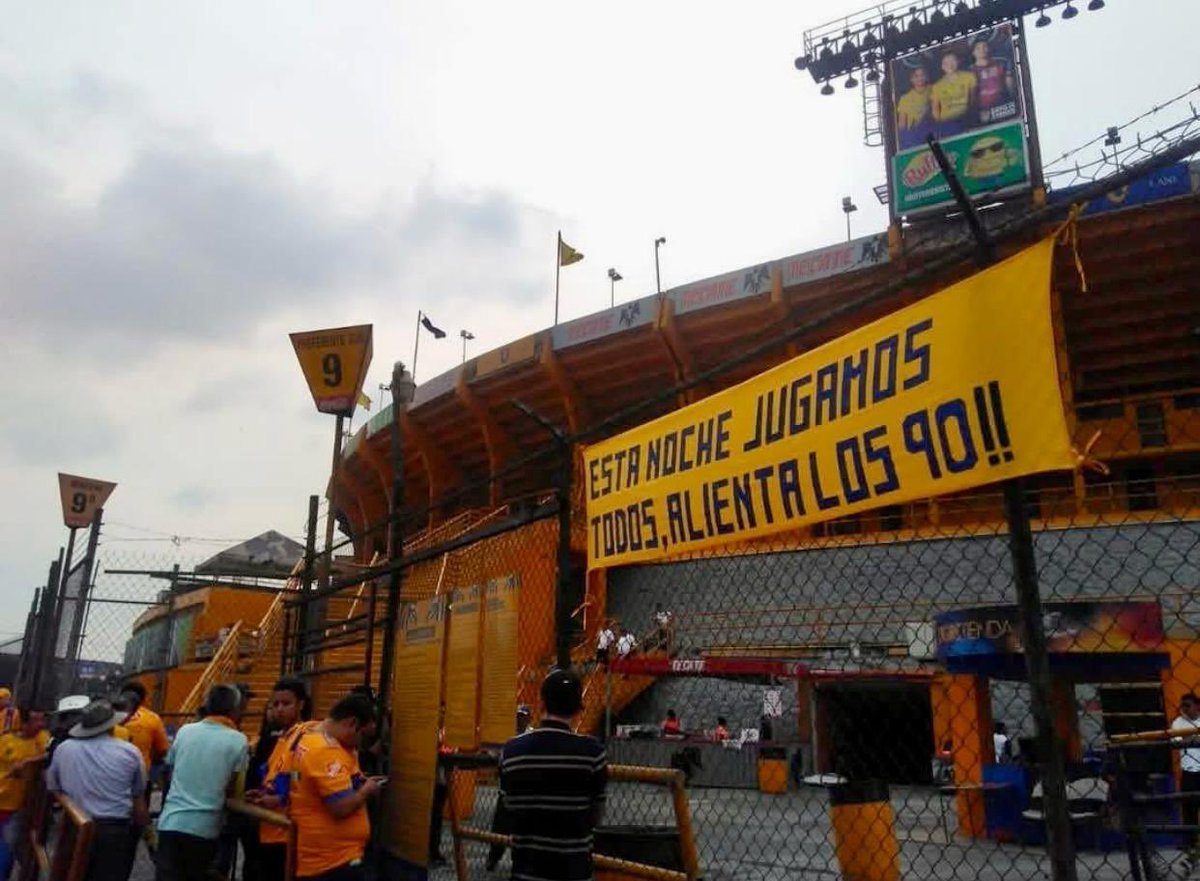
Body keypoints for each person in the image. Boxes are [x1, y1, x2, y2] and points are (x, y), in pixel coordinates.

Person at [499, 668, 606, 881]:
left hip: (525, 870)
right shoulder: (592, 753)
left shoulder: (511, 751)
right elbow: (596, 816)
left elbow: (507, 809)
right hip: (574, 871)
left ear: (542, 703)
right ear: (578, 709)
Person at [155, 684, 249, 881]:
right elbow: (236, 789)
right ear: (234, 709)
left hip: (170, 822)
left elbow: (168, 769)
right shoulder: (239, 741)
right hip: (205, 828)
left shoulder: (185, 731)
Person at [45, 700, 147, 881]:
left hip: (74, 827)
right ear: (111, 725)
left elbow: (53, 786)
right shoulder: (130, 752)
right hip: (114, 831)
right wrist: (143, 830)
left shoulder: (64, 749)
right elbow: (138, 799)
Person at [287, 692, 383, 881]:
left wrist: (360, 781)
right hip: (332, 862)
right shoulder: (325, 751)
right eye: (363, 735)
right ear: (352, 724)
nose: (361, 744)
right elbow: (341, 806)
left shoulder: (311, 736)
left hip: (327, 856)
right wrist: (366, 790)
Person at [245, 679, 315, 881]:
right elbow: (279, 775)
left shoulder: (307, 736)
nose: (279, 710)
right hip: (271, 830)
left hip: (288, 834)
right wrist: (264, 792)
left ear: (301, 704)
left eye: (286, 704)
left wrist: (279, 799)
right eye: (275, 704)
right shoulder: (282, 738)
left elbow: (303, 780)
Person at [485, 705, 532, 873]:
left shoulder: (531, 735)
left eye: (522, 717)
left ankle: (519, 861)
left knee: (522, 830)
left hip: (524, 791)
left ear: (528, 719)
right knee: (500, 828)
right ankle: (493, 857)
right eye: (517, 716)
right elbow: (494, 752)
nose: (519, 720)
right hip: (508, 789)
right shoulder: (506, 734)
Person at [0, 708, 45, 878]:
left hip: (16, 807)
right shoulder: (5, 740)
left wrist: (28, 761)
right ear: (24, 723)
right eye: (36, 721)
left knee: (7, 847)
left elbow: (50, 753)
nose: (41, 724)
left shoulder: (41, 739)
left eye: (42, 720)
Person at [121, 681, 170, 777]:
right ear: (144, 699)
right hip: (140, 774)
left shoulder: (109, 716)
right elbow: (162, 750)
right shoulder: (152, 718)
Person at [930, 50, 977, 138]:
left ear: (958, 61)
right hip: (947, 123)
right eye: (946, 63)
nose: (950, 65)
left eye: (952, 61)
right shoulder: (937, 86)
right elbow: (935, 109)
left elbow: (972, 100)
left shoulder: (969, 76)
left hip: (966, 118)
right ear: (942, 66)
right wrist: (940, 126)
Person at [970, 38, 1016, 126]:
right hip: (982, 113)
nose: (982, 50)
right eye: (978, 48)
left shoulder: (1002, 63)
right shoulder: (969, 71)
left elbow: (1010, 85)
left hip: (1004, 108)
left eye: (984, 47)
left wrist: (1014, 101)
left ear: (989, 49)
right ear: (973, 52)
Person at [1173, 693, 1200, 842]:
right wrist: (1194, 738)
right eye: (1182, 706)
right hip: (1189, 771)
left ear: (1197, 706)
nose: (1184, 709)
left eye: (1187, 705)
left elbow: (1185, 739)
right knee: (1189, 808)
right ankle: (1191, 844)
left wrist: (1189, 738)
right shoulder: (1178, 723)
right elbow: (1177, 742)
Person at [895, 65, 935, 150]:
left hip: (933, 132)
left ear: (926, 77)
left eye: (922, 75)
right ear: (911, 79)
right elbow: (902, 123)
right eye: (916, 76)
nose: (919, 78)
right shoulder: (905, 98)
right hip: (914, 137)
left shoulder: (934, 89)